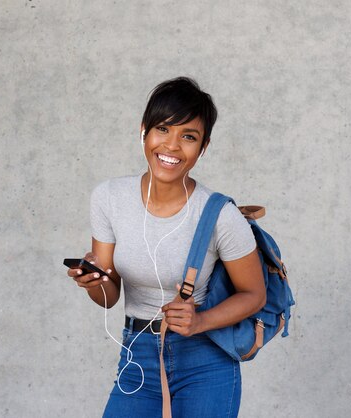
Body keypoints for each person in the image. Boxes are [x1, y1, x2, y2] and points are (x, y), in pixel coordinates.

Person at [66, 77, 266, 418]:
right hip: (137, 353)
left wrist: (199, 321)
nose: (172, 146)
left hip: (206, 361)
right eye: (163, 129)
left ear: (202, 147)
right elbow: (109, 297)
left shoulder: (219, 214)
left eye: (188, 136)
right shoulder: (109, 198)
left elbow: (254, 295)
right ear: (144, 131)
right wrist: (95, 282)